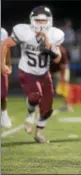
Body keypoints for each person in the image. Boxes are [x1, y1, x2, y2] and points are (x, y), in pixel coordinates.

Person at [1, 6, 64, 143]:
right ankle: (30, 114)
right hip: (27, 71)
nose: (41, 24)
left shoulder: (54, 35)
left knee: (47, 107)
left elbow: (57, 58)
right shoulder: (24, 32)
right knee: (35, 96)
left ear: (49, 21)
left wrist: (48, 50)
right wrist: (3, 64)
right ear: (32, 20)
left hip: (44, 73)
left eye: (43, 21)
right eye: (38, 20)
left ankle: (39, 132)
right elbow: (5, 44)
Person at [50, 45, 73, 113]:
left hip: (62, 70)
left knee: (64, 88)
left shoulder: (62, 51)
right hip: (51, 70)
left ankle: (68, 105)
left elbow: (64, 66)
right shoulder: (47, 49)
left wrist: (62, 77)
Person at [1, 27, 12, 128]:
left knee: (3, 94)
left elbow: (7, 48)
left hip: (1, 66)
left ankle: (4, 115)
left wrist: (8, 63)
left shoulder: (3, 32)